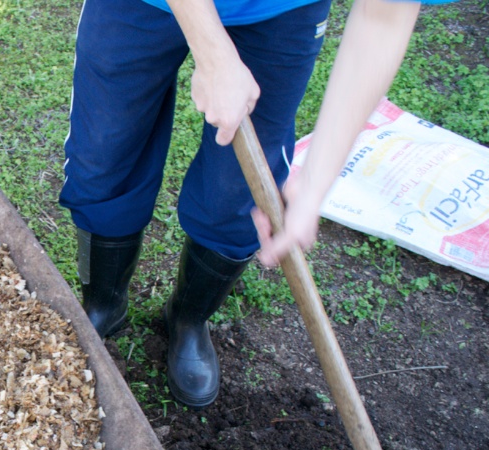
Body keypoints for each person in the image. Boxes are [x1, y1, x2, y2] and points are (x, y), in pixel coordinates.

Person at [60, 0, 443, 409]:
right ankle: (104, 301)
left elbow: (384, 16)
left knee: (238, 192)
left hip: (277, 14)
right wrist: (213, 52)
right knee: (104, 151)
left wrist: (314, 184)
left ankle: (188, 318)